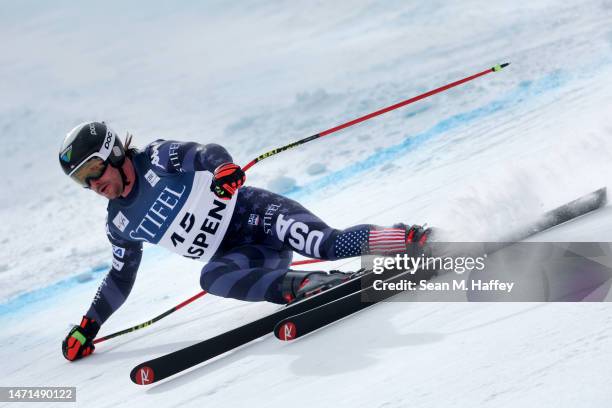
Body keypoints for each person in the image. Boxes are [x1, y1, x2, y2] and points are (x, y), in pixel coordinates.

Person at [59, 121, 432, 361]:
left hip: (259, 216)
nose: (93, 185)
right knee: (211, 278)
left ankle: (406, 237)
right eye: (81, 181)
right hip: (245, 256)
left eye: (92, 170)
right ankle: (306, 285)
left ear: (113, 152)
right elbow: (120, 277)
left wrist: (222, 169)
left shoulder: (155, 158)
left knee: (324, 244)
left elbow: (203, 153)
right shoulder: (120, 222)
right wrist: (88, 326)